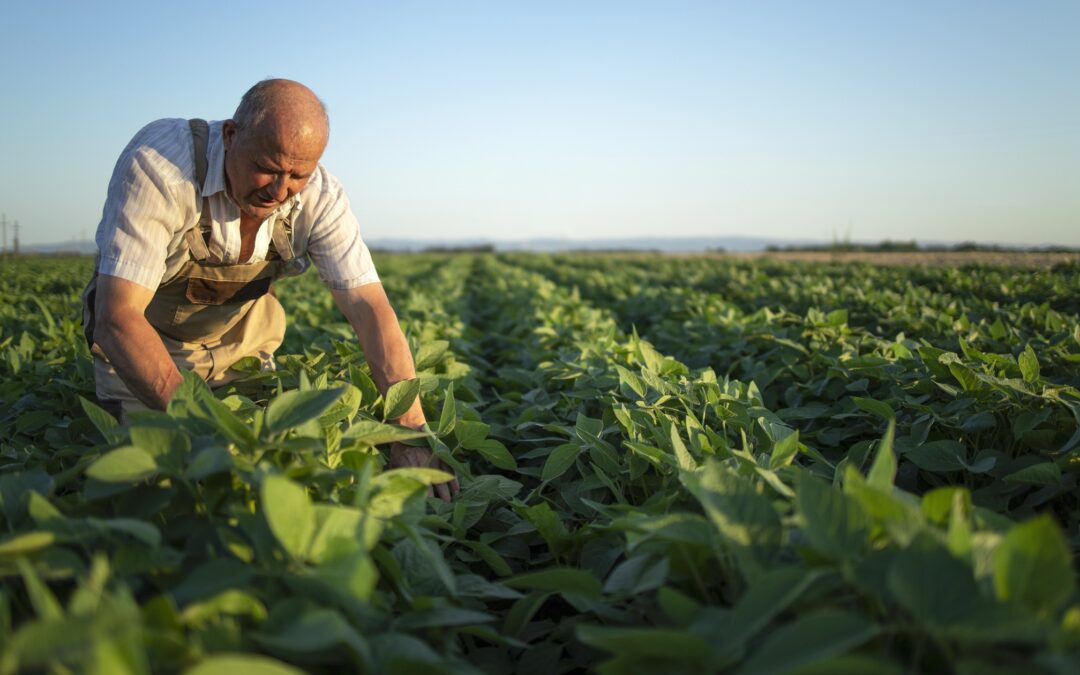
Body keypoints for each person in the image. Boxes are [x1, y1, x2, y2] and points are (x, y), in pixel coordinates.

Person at [81, 79, 459, 501]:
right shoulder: (161, 166)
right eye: (268, 167)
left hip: (242, 346)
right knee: (163, 485)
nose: (280, 191)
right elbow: (117, 320)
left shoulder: (321, 197)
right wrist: (211, 432)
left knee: (282, 478)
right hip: (146, 351)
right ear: (230, 135)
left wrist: (407, 433)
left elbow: (370, 310)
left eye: (298, 175)